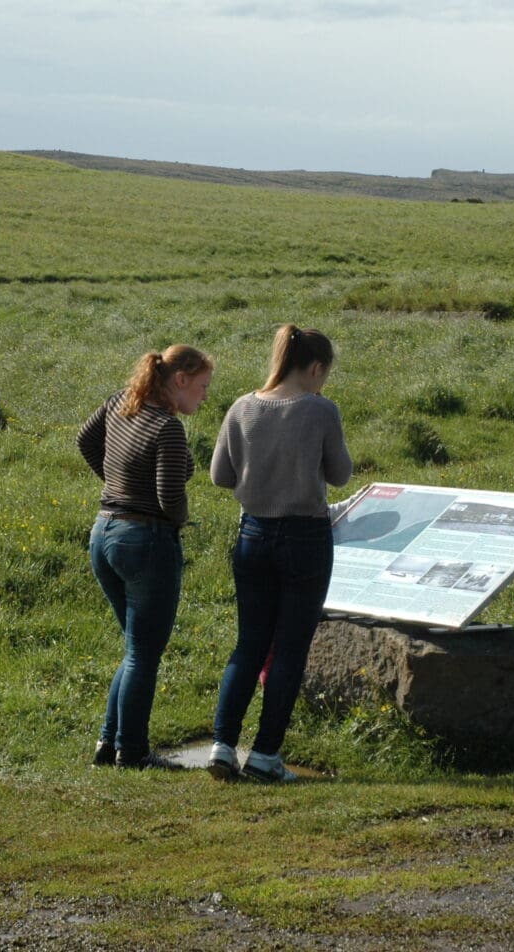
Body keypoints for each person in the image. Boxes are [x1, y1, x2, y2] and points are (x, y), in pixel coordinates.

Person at [207, 325, 352, 783]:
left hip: (252, 533)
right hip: (306, 537)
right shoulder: (321, 410)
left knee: (249, 643)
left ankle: (222, 745)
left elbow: (219, 476)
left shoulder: (241, 406)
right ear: (316, 368)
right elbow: (341, 474)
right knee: (289, 648)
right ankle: (266, 755)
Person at [78, 344, 213, 769]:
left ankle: (109, 743)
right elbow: (170, 497)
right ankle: (132, 751)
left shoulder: (120, 403)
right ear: (180, 380)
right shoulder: (166, 428)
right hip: (145, 542)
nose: (205, 396)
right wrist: (181, 521)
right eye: (203, 386)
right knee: (143, 653)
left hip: (103, 533)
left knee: (136, 648)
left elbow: (85, 440)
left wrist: (116, 483)